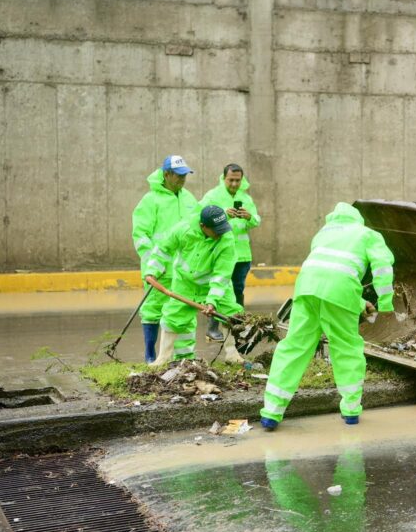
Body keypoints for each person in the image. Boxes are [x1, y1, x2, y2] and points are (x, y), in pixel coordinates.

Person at [259, 202, 395, 431]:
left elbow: (328, 273)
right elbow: (382, 267)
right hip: (339, 294)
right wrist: (387, 304)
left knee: (294, 347)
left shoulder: (323, 233)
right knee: (346, 348)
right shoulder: (368, 234)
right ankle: (351, 411)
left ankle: (271, 412)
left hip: (305, 290)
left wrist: (361, 303)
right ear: (358, 219)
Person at [144, 205, 244, 365]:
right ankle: (164, 358)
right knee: (173, 316)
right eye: (216, 230)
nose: (220, 233)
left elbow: (222, 275)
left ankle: (232, 354)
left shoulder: (226, 239)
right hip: (185, 282)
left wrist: (212, 301)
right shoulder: (183, 229)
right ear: (203, 226)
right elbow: (163, 249)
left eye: (222, 228)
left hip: (214, 284)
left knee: (231, 314)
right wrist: (152, 270)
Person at [131, 155, 199, 363]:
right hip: (158, 269)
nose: (182, 179)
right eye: (178, 175)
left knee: (181, 311)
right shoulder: (150, 201)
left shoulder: (189, 198)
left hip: (183, 270)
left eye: (184, 175)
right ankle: (151, 354)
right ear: (166, 174)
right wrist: (153, 261)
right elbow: (140, 235)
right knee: (153, 309)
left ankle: (179, 357)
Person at [201, 163, 261, 341]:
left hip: (242, 255)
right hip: (220, 253)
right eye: (231, 180)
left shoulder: (246, 198)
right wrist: (224, 214)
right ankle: (212, 328)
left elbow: (256, 220)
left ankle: (237, 325)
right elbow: (201, 216)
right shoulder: (213, 195)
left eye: (238, 180)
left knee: (237, 290)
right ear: (223, 178)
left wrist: (249, 217)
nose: (234, 184)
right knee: (219, 288)